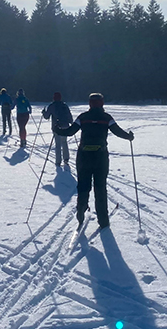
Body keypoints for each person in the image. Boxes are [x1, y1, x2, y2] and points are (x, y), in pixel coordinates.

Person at [53, 93, 134, 229]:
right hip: (100, 157)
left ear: (90, 104)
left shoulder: (83, 117)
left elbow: (70, 131)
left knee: (83, 185)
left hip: (84, 156)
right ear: (102, 103)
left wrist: (57, 129)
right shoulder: (107, 118)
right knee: (100, 187)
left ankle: (81, 210)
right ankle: (103, 221)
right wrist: (129, 137)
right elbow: (118, 131)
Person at [42, 92, 73, 167]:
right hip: (65, 126)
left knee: (58, 144)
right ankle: (66, 159)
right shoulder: (64, 105)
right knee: (64, 142)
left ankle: (58, 161)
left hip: (56, 127)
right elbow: (70, 117)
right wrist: (71, 123)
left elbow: (47, 116)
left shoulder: (52, 106)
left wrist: (43, 112)